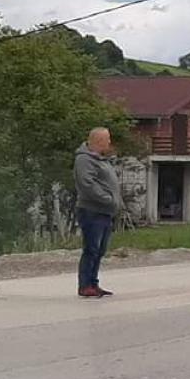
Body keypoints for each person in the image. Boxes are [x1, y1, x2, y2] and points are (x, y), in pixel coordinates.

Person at [74, 127, 122, 298]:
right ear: (98, 141)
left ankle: (93, 283)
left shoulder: (101, 159)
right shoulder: (84, 160)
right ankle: (85, 285)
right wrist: (107, 199)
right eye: (107, 139)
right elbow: (87, 184)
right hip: (92, 211)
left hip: (105, 212)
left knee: (100, 250)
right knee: (91, 249)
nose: (109, 142)